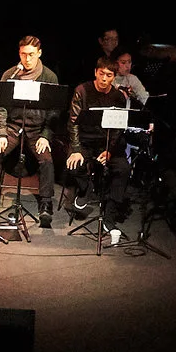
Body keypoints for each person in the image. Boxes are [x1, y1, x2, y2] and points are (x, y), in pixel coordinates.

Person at [0, 34, 61, 222]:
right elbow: (0, 107)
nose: (27, 59)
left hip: (37, 130)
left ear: (39, 53)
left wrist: (46, 135)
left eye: (31, 54)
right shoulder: (10, 75)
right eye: (23, 54)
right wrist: (1, 132)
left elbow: (54, 111)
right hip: (13, 127)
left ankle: (46, 202)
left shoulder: (49, 77)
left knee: (46, 160)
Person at [66, 57, 136, 233]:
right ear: (95, 73)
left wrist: (109, 151)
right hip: (85, 141)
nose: (104, 78)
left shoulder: (118, 97)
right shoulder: (82, 91)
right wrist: (76, 149)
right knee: (74, 164)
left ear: (114, 77)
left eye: (109, 75)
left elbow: (118, 129)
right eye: (101, 74)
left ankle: (110, 215)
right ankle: (85, 188)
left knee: (123, 169)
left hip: (107, 143)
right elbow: (73, 122)